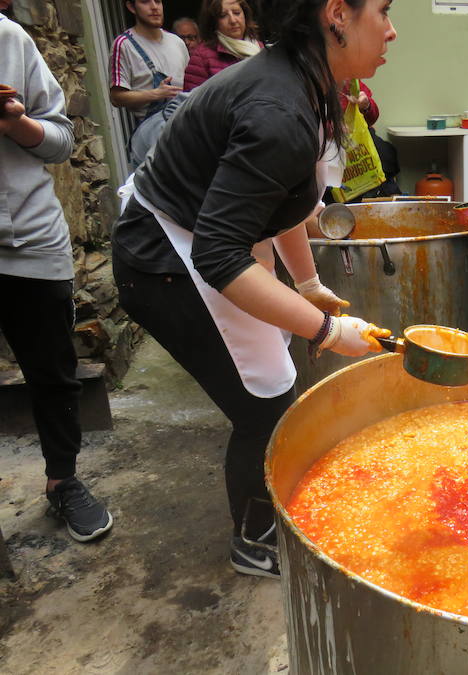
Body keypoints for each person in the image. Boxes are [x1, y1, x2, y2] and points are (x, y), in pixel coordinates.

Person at [111, 0, 396, 578]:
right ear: (337, 14)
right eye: (384, 12)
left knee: (275, 380)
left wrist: (309, 282)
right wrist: (330, 329)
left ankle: (265, 519)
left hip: (203, 238)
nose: (392, 31)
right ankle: (255, 539)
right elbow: (219, 254)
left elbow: (280, 200)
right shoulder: (280, 107)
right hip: (166, 253)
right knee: (263, 400)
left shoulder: (305, 80)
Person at [0, 7, 113, 542]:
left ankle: (62, 481)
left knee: (52, 371)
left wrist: (16, 124)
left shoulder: (9, 38)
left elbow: (62, 139)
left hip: (28, 240)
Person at [109, 0, 189, 126]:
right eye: (145, 2)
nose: (154, 7)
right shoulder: (124, 45)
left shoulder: (177, 42)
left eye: (158, 1)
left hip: (186, 121)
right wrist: (156, 94)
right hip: (153, 131)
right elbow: (116, 97)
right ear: (131, 7)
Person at [183, 0, 262, 91]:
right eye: (223, 15)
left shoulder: (261, 49)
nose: (233, 20)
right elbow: (193, 102)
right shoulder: (201, 57)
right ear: (213, 22)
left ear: (245, 15)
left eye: (236, 13)